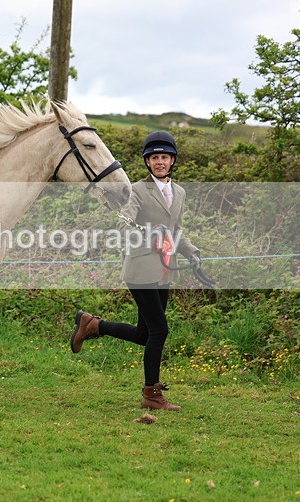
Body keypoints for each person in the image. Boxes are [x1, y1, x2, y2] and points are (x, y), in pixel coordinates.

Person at [71, 131, 200, 411]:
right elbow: (124, 224)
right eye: (155, 158)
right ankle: (151, 394)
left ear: (172, 160)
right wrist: (148, 235)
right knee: (160, 330)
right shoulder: (139, 191)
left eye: (164, 157)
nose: (160, 162)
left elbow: (176, 230)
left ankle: (94, 325)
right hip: (140, 269)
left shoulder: (179, 192)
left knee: (145, 333)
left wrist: (191, 251)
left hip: (165, 271)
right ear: (148, 162)